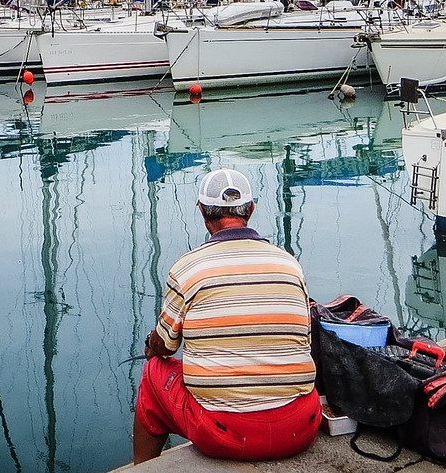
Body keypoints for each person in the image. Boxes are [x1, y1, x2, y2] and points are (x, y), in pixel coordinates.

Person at [132, 168, 320, 465]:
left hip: (227, 434)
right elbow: (304, 341)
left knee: (154, 372)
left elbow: (165, 346)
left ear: (202, 211)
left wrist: (151, 343)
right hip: (302, 424)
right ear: (251, 209)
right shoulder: (290, 265)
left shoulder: (187, 269)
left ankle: (142, 469)